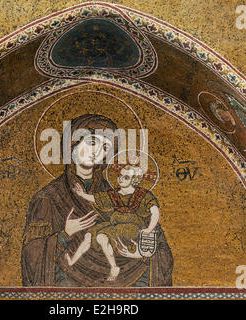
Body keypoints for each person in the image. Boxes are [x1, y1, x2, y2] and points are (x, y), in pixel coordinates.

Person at [21, 114, 173, 287]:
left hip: (127, 283)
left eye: (106, 147)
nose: (98, 152)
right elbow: (32, 255)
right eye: (92, 143)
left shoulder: (120, 194)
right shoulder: (48, 198)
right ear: (72, 144)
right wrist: (65, 235)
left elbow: (159, 248)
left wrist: (141, 253)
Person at [65, 164, 161, 282]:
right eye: (120, 176)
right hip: (115, 225)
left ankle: (114, 267)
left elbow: (155, 211)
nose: (120, 179)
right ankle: (72, 261)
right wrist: (82, 194)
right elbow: (97, 198)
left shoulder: (142, 195)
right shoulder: (114, 194)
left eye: (126, 177)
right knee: (89, 235)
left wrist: (149, 229)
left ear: (134, 180)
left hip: (131, 227)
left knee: (101, 236)